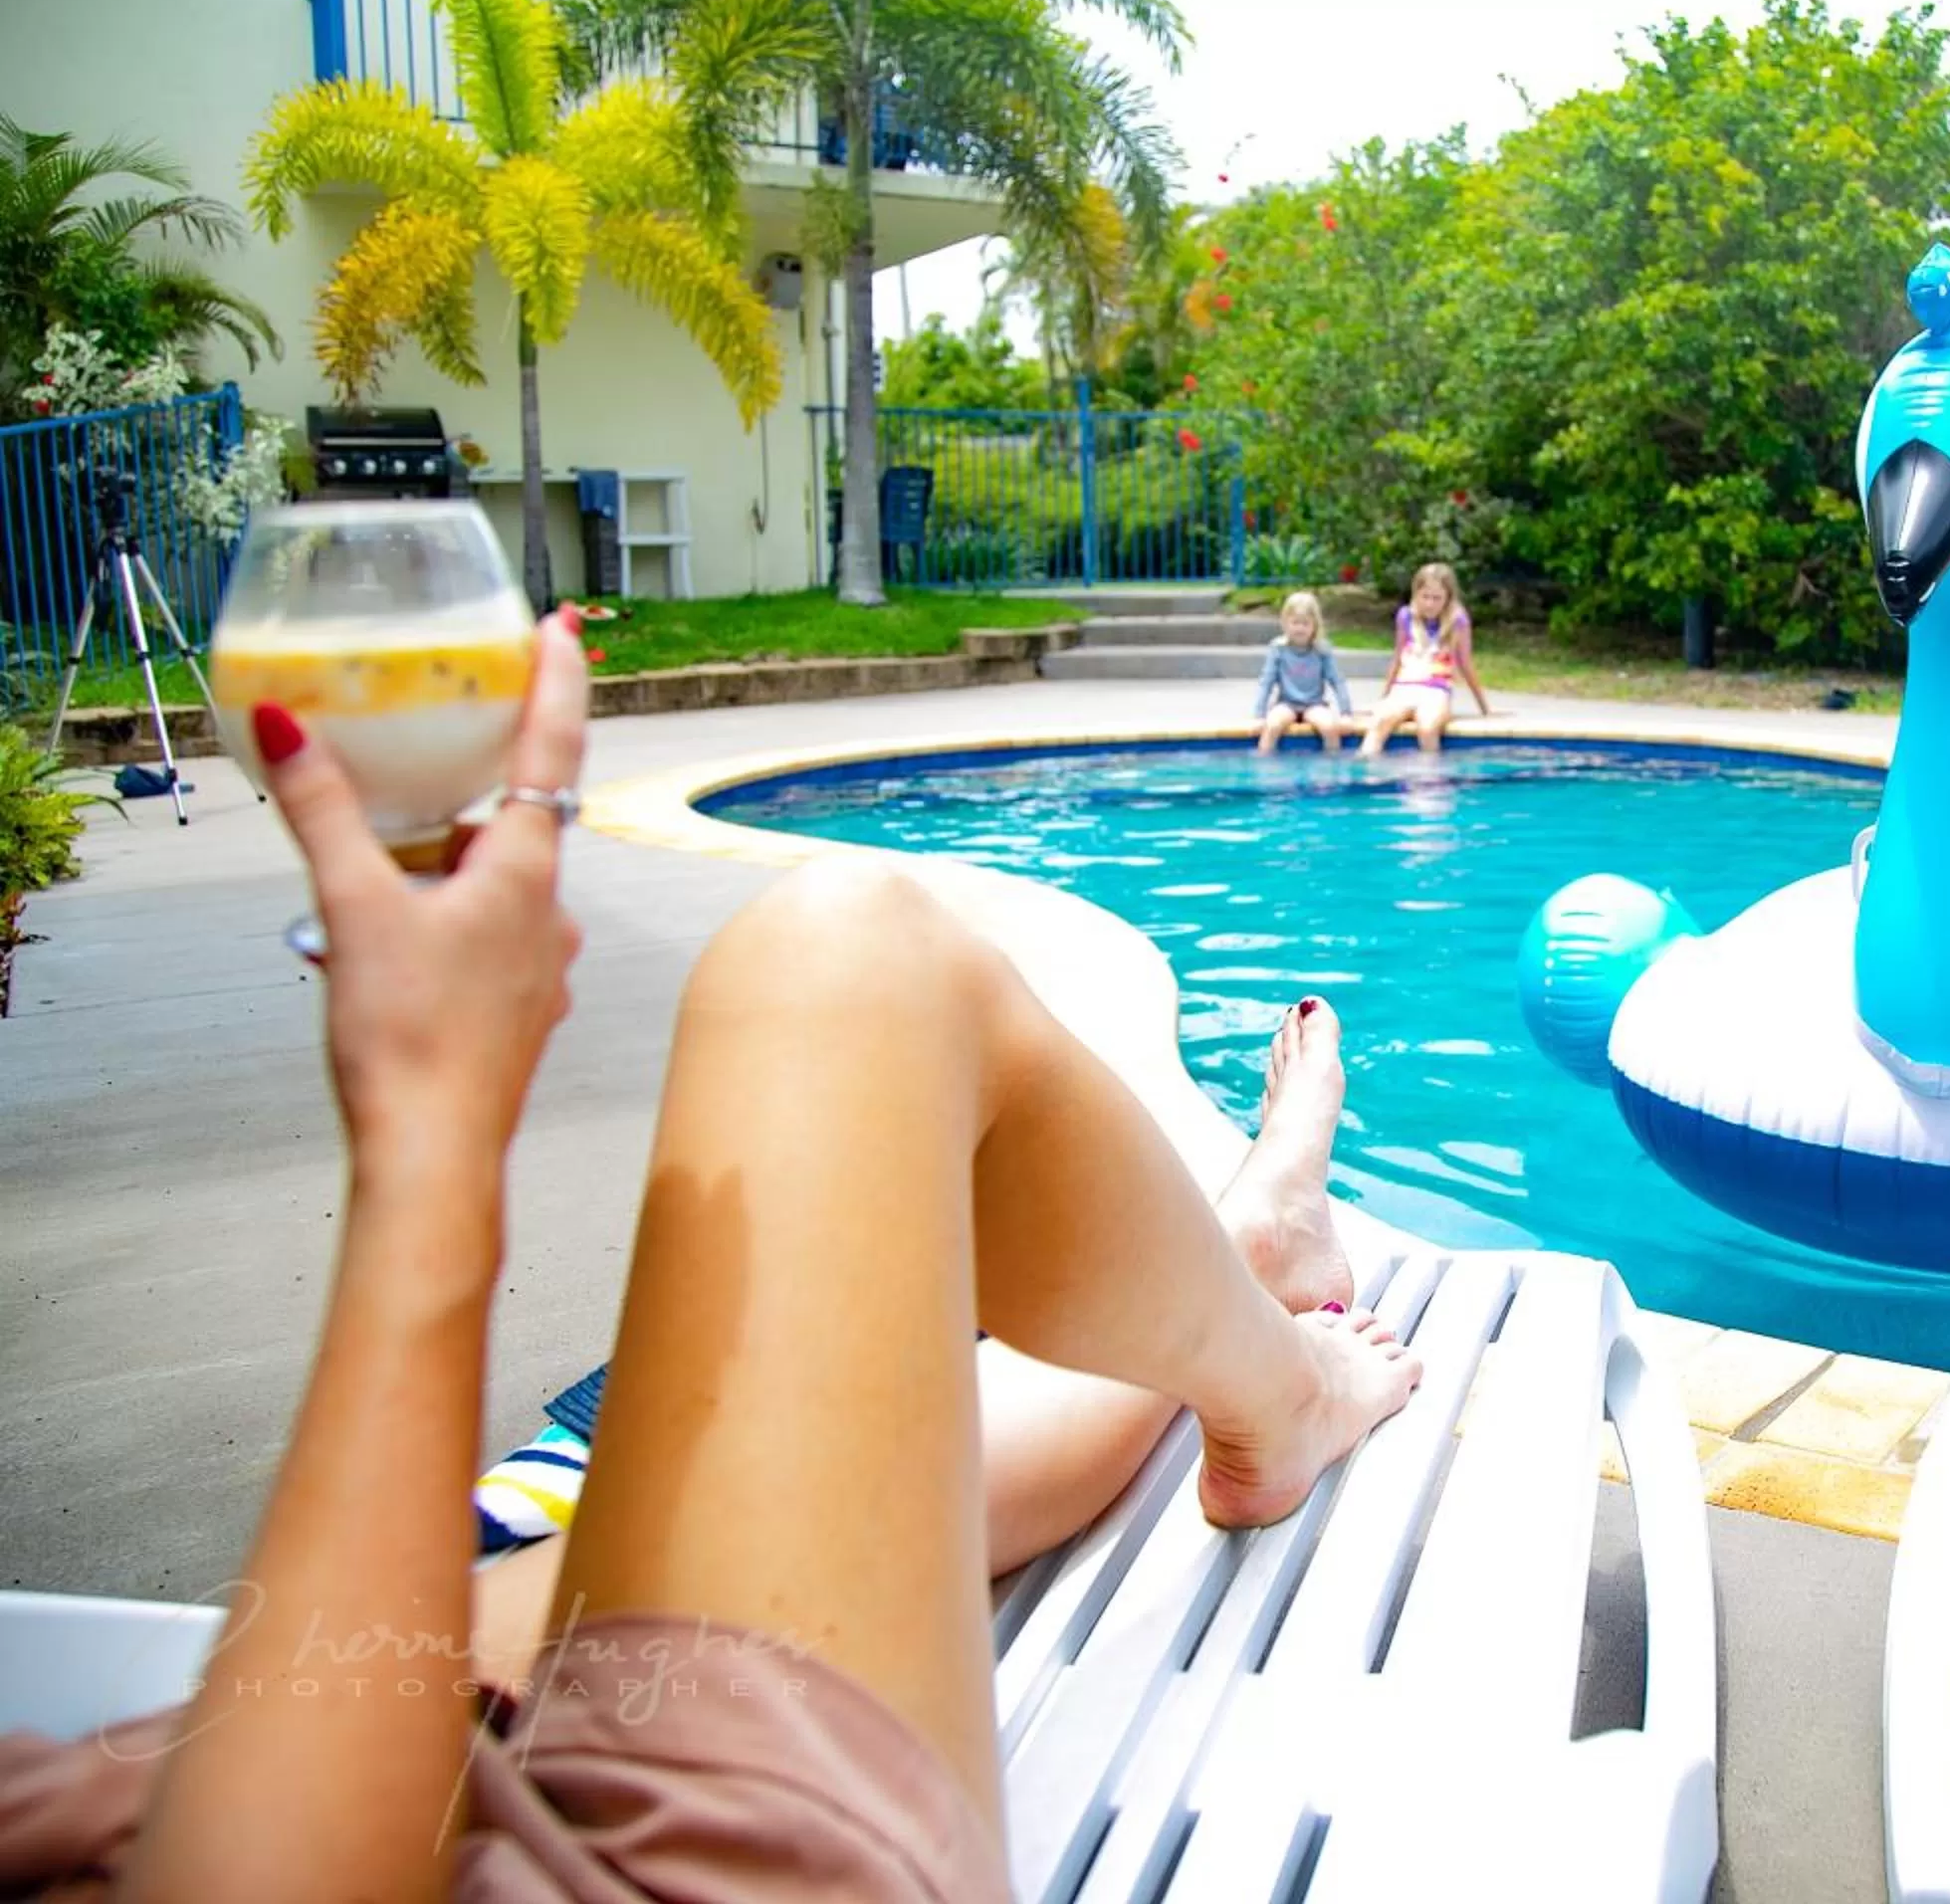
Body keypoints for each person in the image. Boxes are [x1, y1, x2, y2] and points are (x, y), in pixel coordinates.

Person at [0, 609, 1420, 1901]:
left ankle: (1244, 1277)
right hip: (445, 1832)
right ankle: (1260, 1328)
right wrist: (428, 1155)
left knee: (663, 1494)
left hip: (300, 1734)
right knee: (849, 961)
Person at [1359, 561, 1492, 756]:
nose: (1430, 604)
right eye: (1425, 597)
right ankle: (1368, 775)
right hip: (1405, 687)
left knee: (1428, 728)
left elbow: (1465, 663)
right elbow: (1397, 658)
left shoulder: (1457, 621)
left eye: (1437, 598)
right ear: (1416, 594)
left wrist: (1484, 707)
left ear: (1448, 598)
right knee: (1378, 724)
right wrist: (1384, 697)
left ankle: (1429, 780)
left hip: (1436, 689)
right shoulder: (1406, 616)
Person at [1251, 589, 1353, 753]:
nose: (1300, 629)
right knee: (1272, 726)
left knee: (1330, 727)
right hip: (1286, 703)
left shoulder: (1321, 650)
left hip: (1314, 703)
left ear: (1315, 625)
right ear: (1285, 623)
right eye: (1295, 623)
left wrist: (1346, 713)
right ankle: (1264, 765)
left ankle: (1332, 767)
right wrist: (1259, 715)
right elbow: (1266, 682)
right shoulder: (1278, 648)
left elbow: (1337, 681)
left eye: (1305, 624)